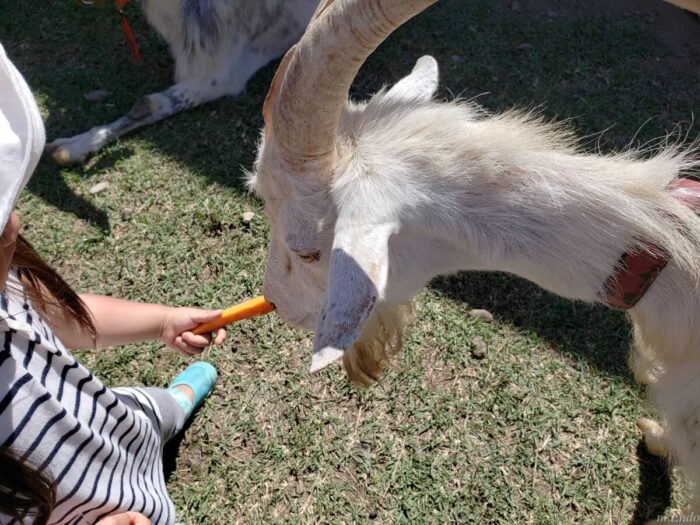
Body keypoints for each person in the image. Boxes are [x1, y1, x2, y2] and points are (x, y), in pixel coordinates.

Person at [0, 44, 227, 525]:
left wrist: (163, 321)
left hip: (112, 422)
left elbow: (66, 317)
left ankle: (179, 401)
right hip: (90, 506)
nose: (15, 225)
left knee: (155, 411)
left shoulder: (4, 285)